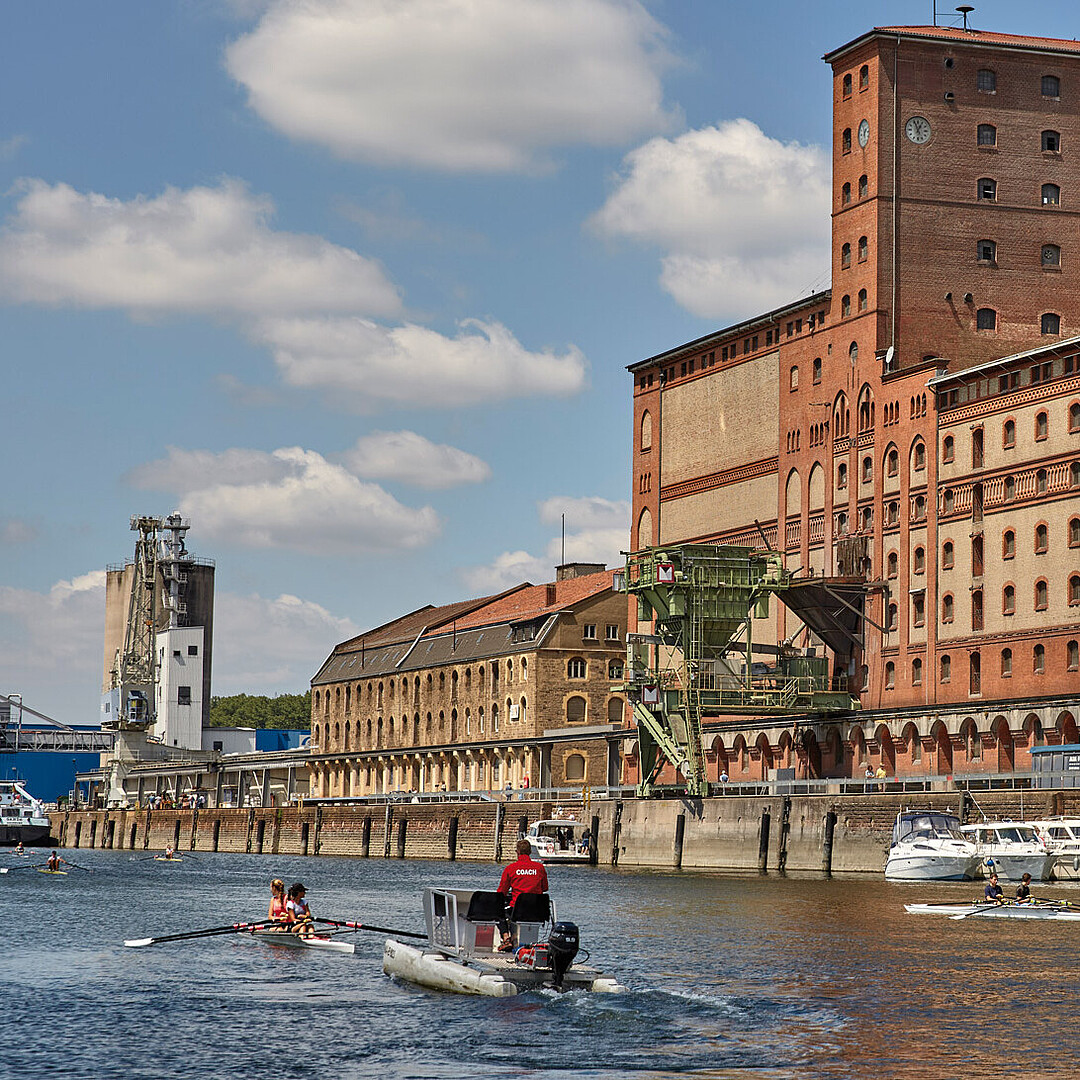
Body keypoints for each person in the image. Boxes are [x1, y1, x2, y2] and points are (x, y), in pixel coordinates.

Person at [496, 838, 549, 951]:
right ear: (530, 852)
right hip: (538, 911)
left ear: (517, 852)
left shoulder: (511, 869)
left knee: (498, 910)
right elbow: (545, 888)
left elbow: (501, 893)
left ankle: (506, 938)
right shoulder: (540, 868)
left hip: (518, 912)